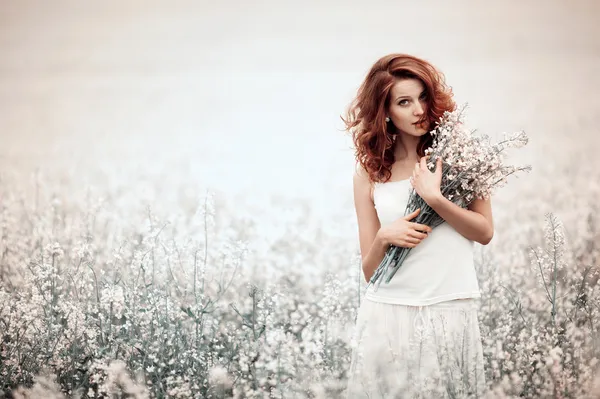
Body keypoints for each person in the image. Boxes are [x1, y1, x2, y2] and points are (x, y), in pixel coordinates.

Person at [342, 54, 492, 398]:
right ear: (385, 112)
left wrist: (436, 199)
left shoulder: (462, 156)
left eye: (423, 97)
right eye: (404, 102)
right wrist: (384, 236)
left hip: (449, 306)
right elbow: (370, 272)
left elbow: (484, 232)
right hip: (388, 309)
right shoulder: (369, 173)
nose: (418, 109)